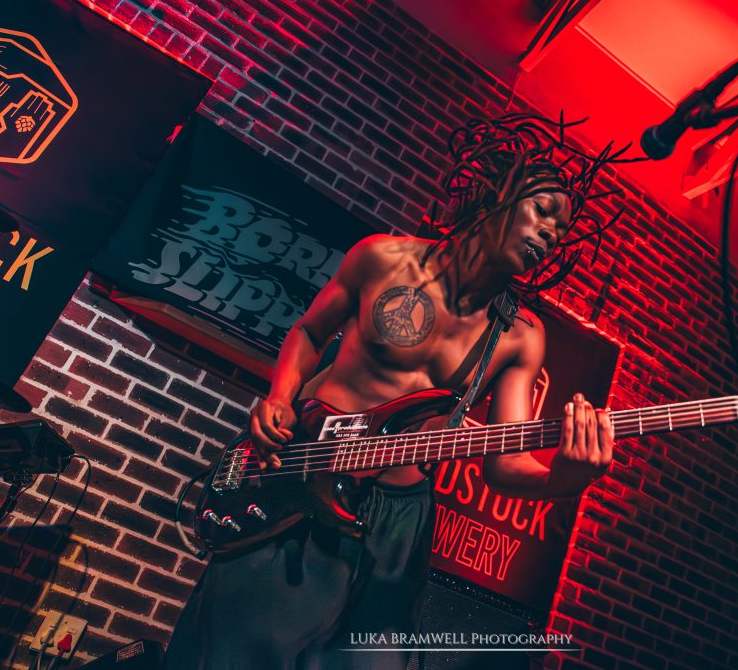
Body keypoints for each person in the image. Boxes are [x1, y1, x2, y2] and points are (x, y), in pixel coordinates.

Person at [163, 114, 629, 668]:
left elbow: (505, 465)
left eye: (562, 229)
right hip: (300, 469)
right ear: (497, 196)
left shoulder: (521, 334)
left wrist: (567, 478)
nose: (553, 234)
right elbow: (310, 332)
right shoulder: (383, 258)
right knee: (236, 651)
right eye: (544, 212)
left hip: (395, 518)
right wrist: (281, 398)